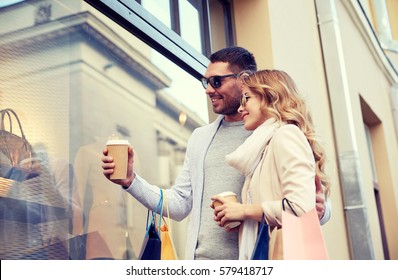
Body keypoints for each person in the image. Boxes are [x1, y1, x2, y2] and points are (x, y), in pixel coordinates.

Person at [101, 47, 330, 260]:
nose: (209, 89)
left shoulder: (274, 133)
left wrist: (320, 209)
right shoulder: (200, 138)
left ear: (243, 81)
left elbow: (306, 202)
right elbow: (179, 203)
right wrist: (131, 181)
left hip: (258, 258)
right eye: (206, 82)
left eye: (216, 81)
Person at [212, 69, 331, 259]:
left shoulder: (286, 134)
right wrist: (237, 216)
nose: (241, 108)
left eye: (247, 99)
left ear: (269, 97)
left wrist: (243, 211)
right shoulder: (263, 147)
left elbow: (300, 208)